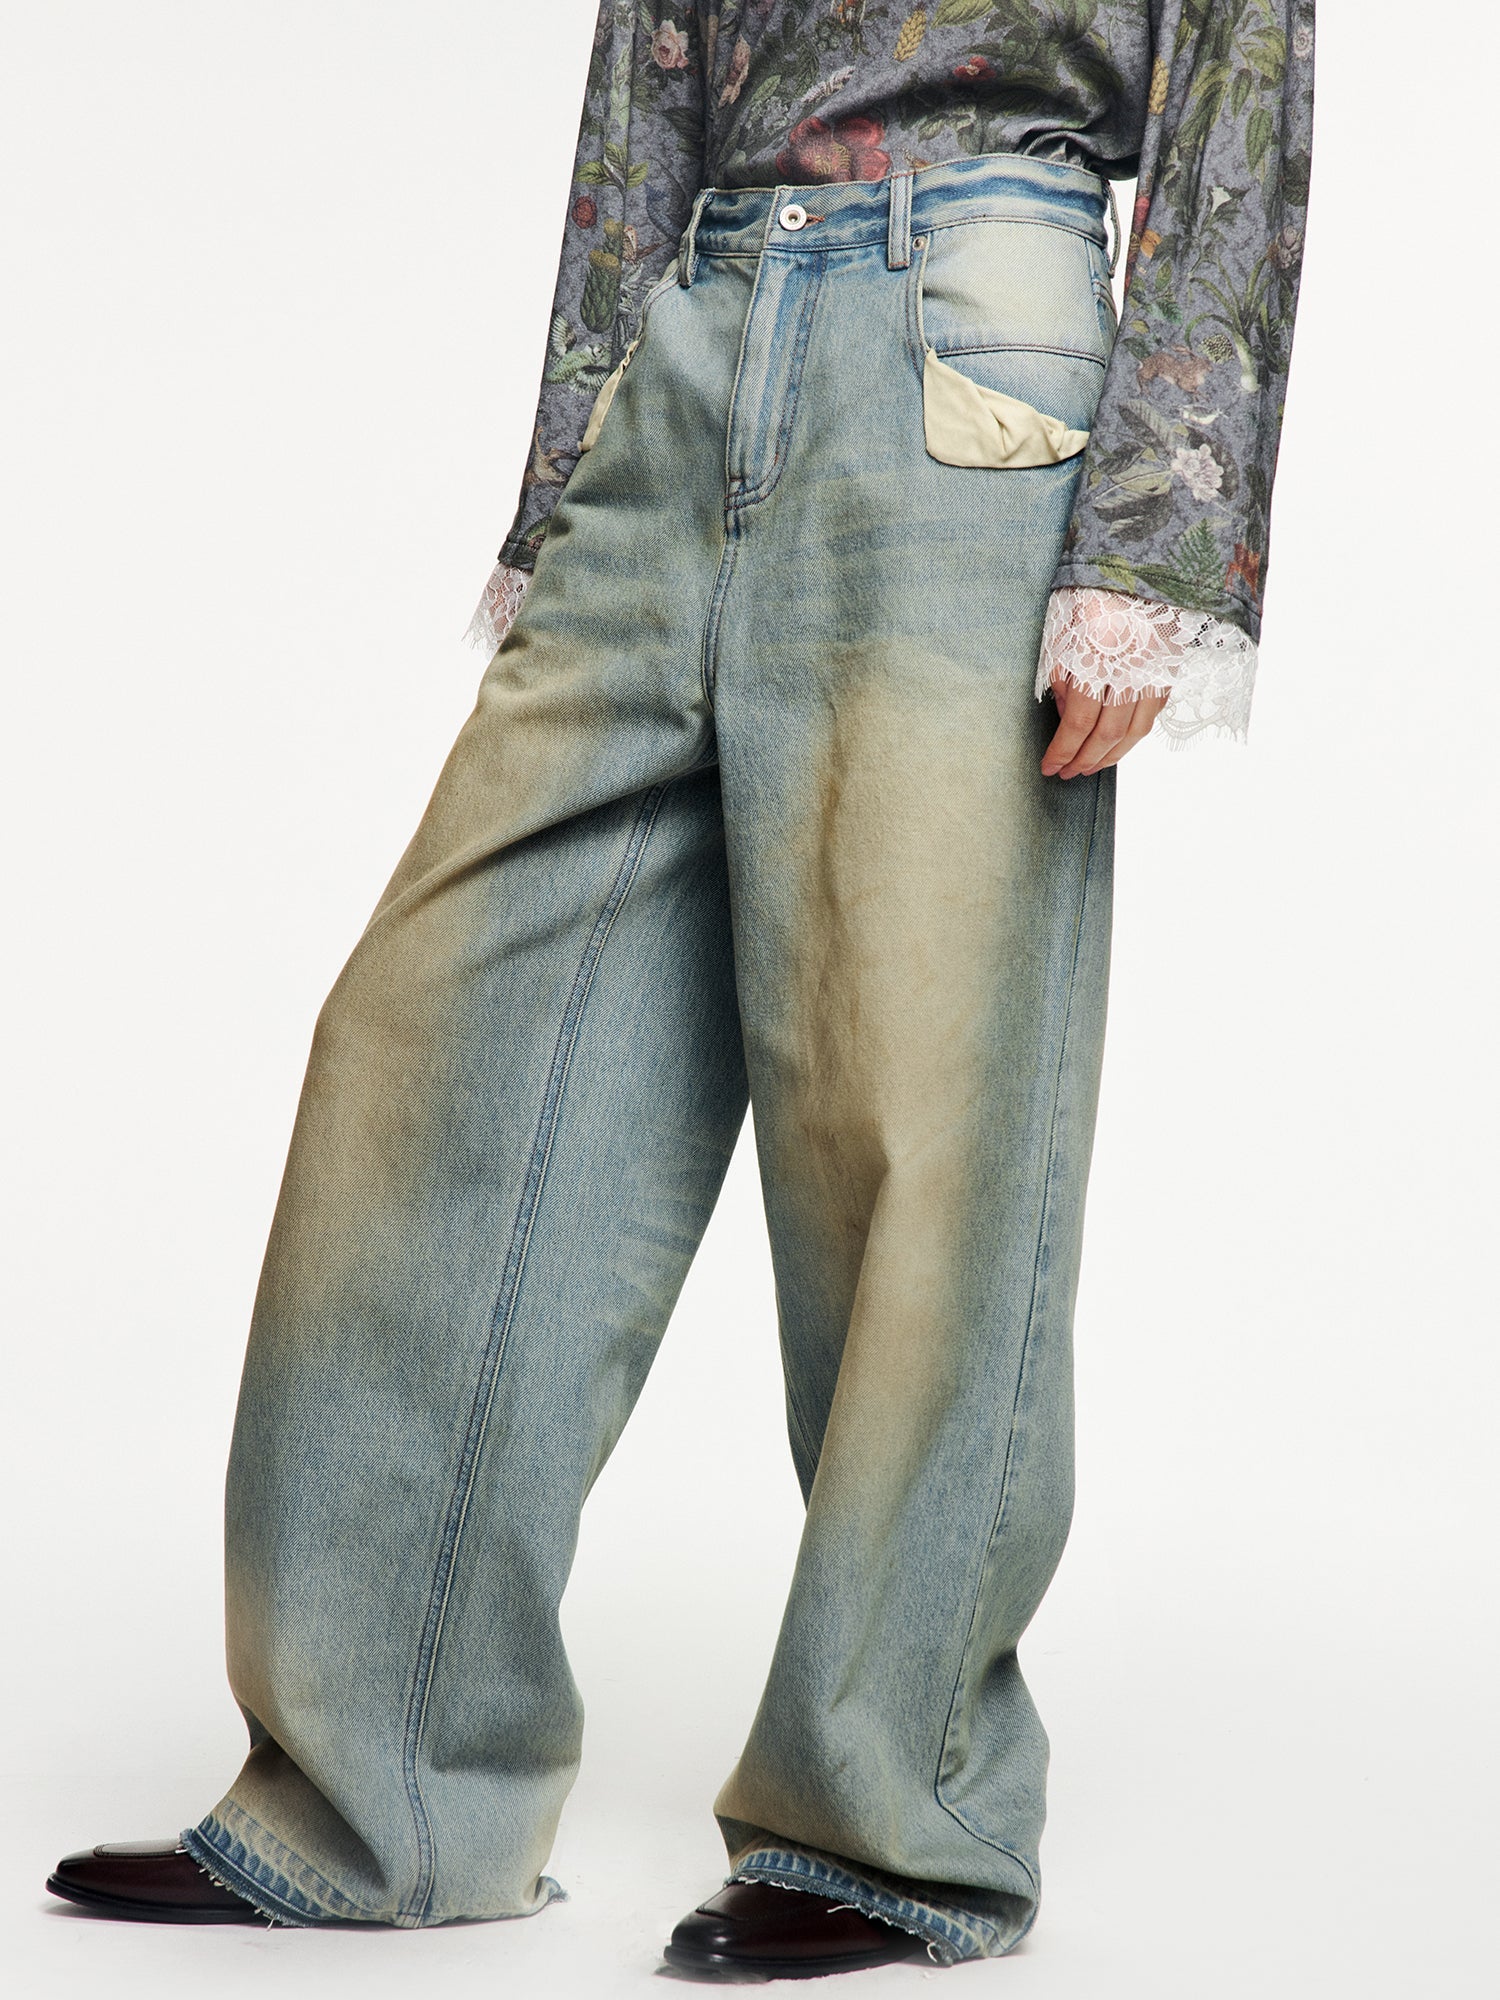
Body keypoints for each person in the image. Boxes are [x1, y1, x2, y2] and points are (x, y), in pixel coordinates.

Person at [46, 1, 1313, 1978]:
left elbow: (1242, 65)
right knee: (430, 1044)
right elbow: (648, 69)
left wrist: (1159, 528)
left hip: (972, 339)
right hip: (696, 328)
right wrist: (576, 461)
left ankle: (895, 1820)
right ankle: (373, 1792)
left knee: (915, 1107)